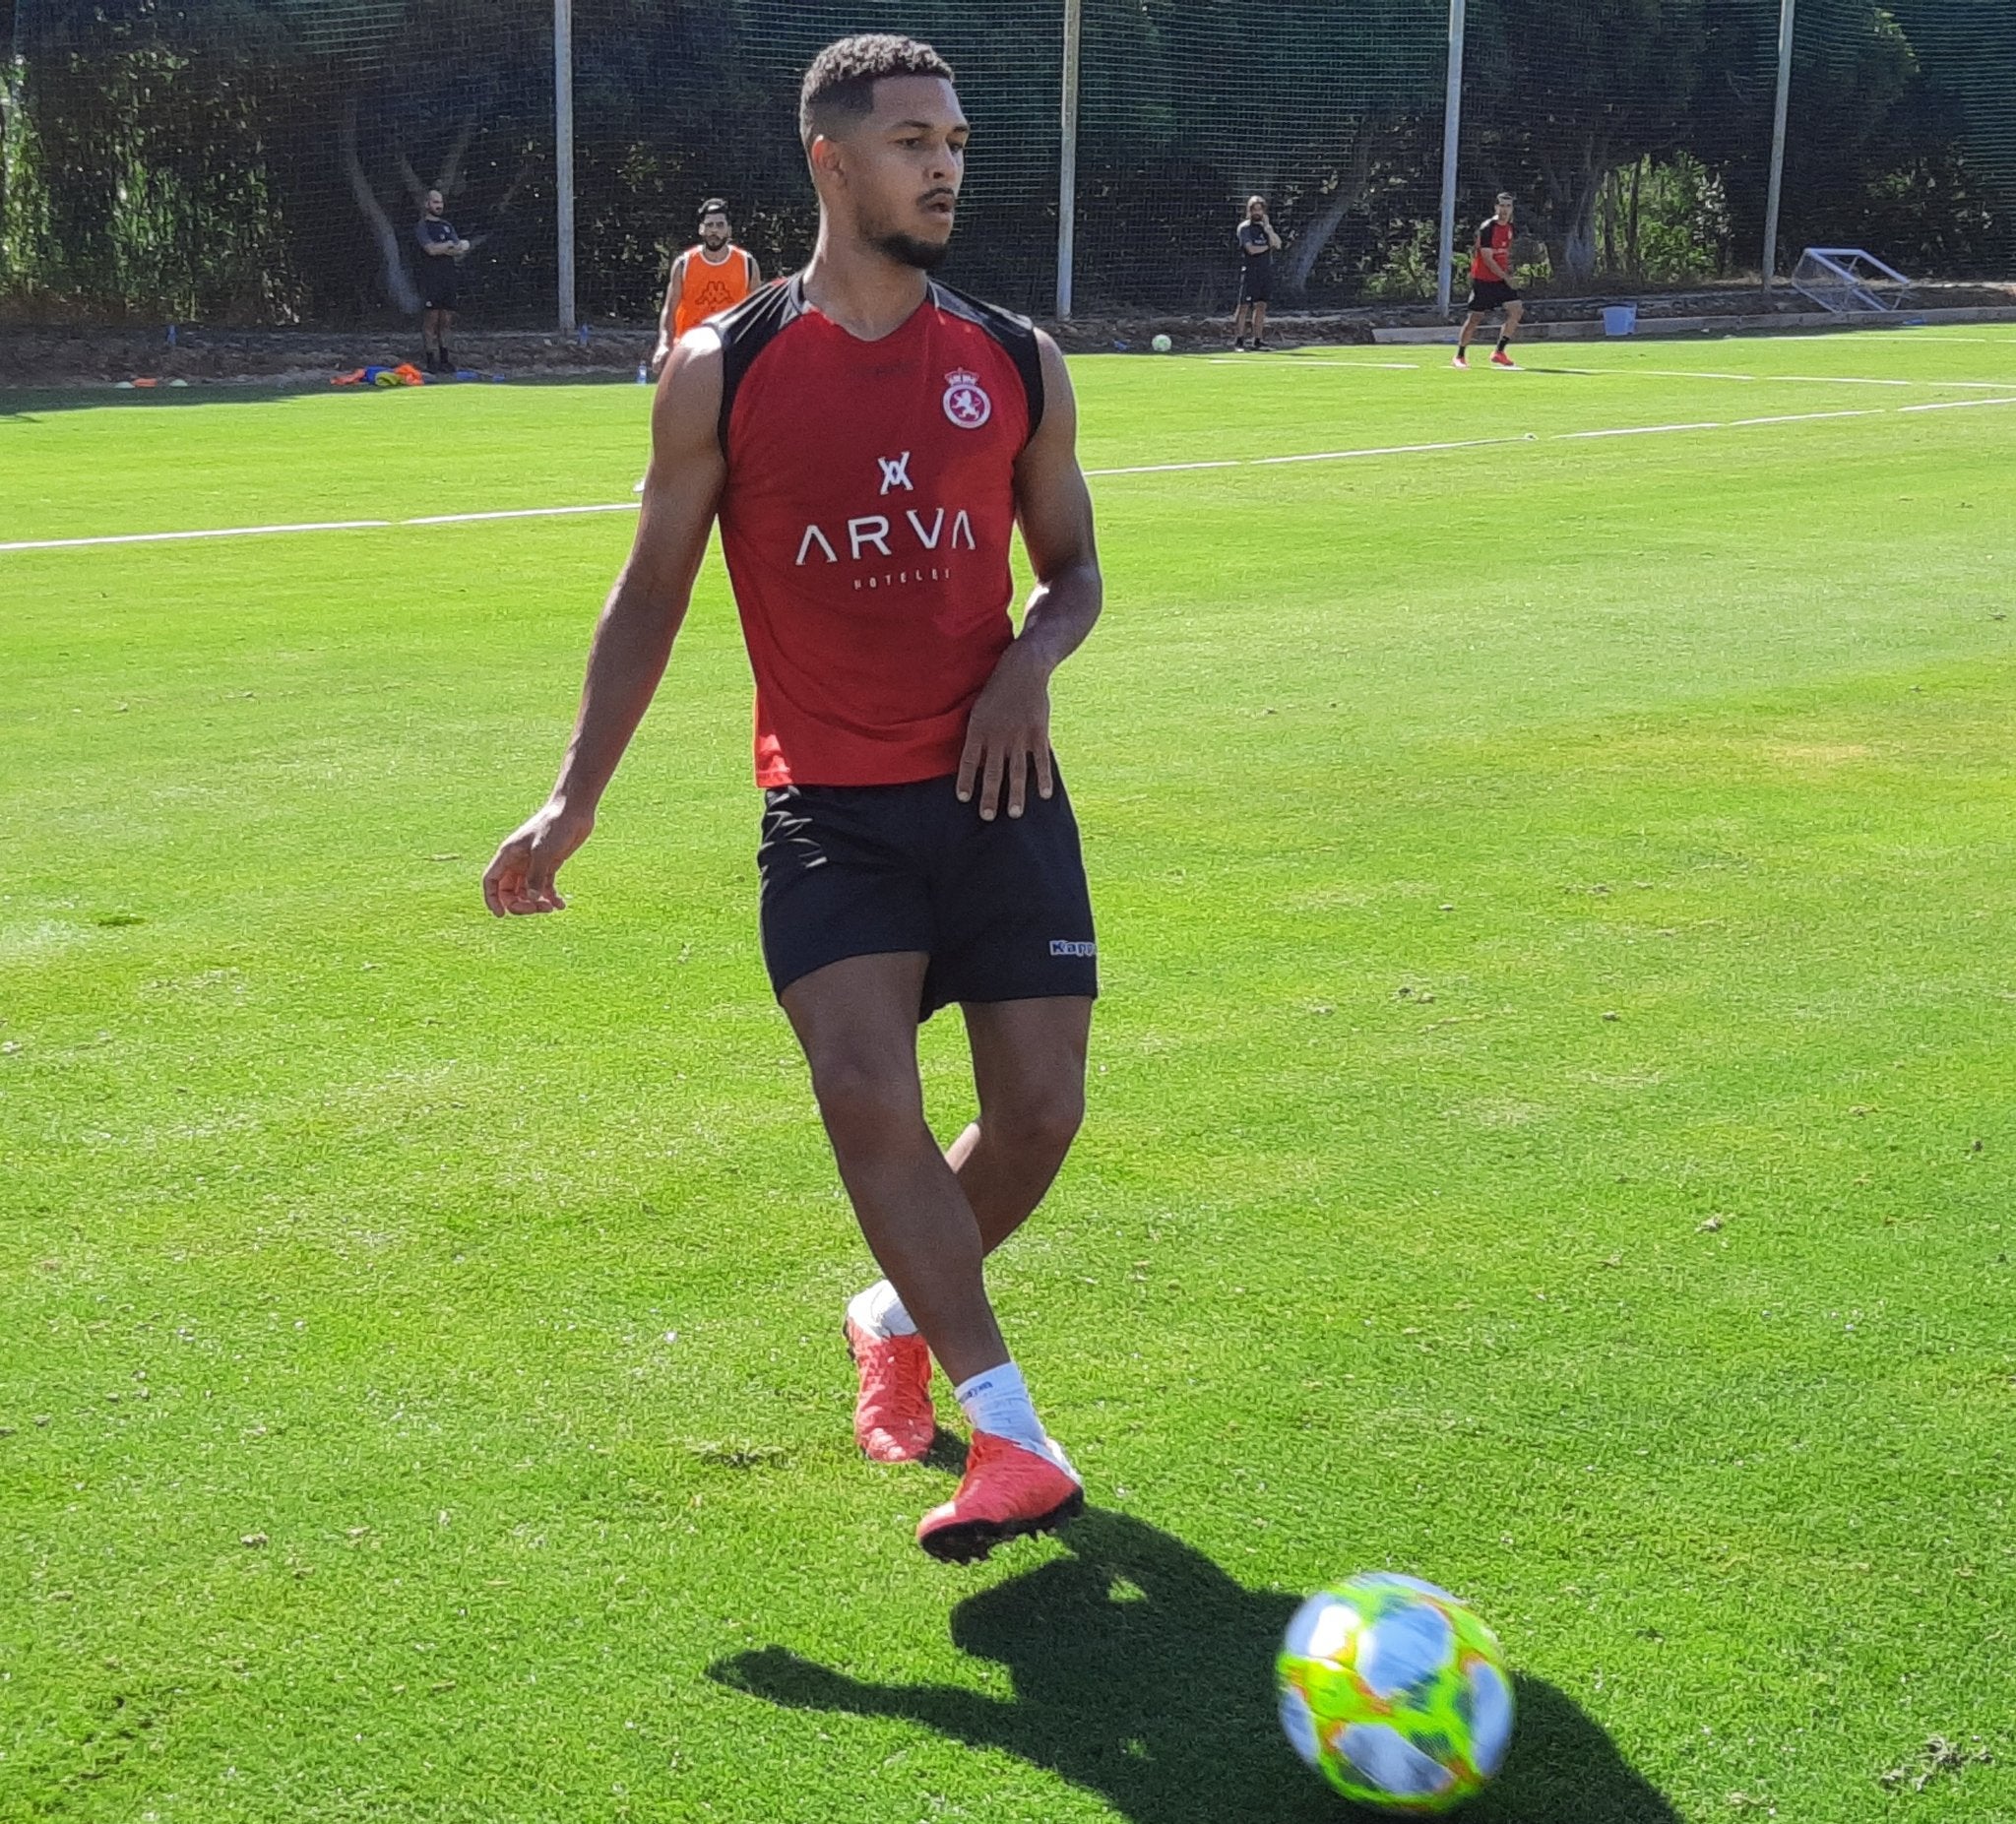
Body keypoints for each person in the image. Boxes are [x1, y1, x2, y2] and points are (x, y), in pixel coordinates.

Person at [483, 32, 1104, 1565]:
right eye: (912, 141)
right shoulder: (726, 370)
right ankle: (1012, 1436)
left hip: (999, 789)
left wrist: (1032, 662)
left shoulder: (1013, 356)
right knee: (867, 1100)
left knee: (1038, 1113)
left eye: (955, 138)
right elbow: (647, 601)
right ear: (832, 161)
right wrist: (574, 799)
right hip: (830, 809)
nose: (946, 163)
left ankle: (890, 1313)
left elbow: (1075, 570)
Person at [650, 199, 763, 378]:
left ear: (728, 229)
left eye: (720, 225)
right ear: (701, 229)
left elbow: (759, 312)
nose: (714, 230)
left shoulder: (747, 264)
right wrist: (664, 344)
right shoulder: (684, 264)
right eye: (709, 225)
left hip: (730, 351)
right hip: (689, 352)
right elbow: (670, 310)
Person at [1455, 193, 1524, 369]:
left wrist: (1510, 271)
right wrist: (1506, 277)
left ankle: (1499, 352)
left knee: (1516, 310)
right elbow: (1487, 259)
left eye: (1508, 206)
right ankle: (1460, 356)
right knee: (1475, 317)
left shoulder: (1510, 227)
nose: (1504, 210)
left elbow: (1505, 253)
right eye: (1501, 205)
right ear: (1495, 207)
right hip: (1484, 280)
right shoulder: (1487, 228)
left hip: (1500, 279)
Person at [415, 188, 471, 376]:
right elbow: (430, 249)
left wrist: (448, 248)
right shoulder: (422, 226)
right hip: (431, 279)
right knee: (431, 320)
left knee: (446, 320)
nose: (439, 206)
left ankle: (445, 360)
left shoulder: (447, 225)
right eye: (435, 202)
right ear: (427, 204)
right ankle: (431, 360)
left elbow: (459, 249)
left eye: (440, 202)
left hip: (448, 277)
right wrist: (447, 246)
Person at [1230, 196, 1281, 351]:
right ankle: (1239, 341)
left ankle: (1257, 340)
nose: (1257, 212)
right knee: (1244, 306)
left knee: (1261, 306)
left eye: (1260, 209)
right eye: (1254, 209)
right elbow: (1251, 250)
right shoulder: (1245, 228)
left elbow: (1278, 244)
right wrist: (1268, 247)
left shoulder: (1264, 228)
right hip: (1251, 271)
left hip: (1265, 271)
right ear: (1249, 211)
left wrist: (1269, 230)